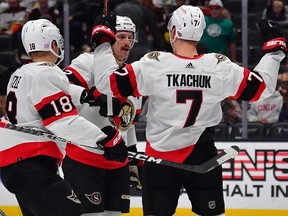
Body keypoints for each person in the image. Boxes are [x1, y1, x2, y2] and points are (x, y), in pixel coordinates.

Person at [90, 5, 287, 215]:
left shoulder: (154, 64)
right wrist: (274, 53)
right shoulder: (219, 66)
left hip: (160, 161)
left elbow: (106, 83)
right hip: (204, 158)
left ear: (173, 32)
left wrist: (102, 42)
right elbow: (262, 89)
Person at [0, 19, 127, 216]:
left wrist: (87, 95)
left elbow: (51, 93)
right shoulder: (47, 73)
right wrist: (105, 139)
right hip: (33, 165)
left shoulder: (21, 73)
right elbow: (63, 122)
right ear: (52, 44)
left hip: (15, 164)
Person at [61, 15, 142, 216]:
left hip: (117, 163)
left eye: (130, 37)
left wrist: (132, 160)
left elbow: (126, 122)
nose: (127, 43)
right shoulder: (88, 61)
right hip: (84, 160)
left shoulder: (131, 74)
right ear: (109, 39)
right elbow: (58, 89)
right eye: (121, 36)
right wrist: (89, 94)